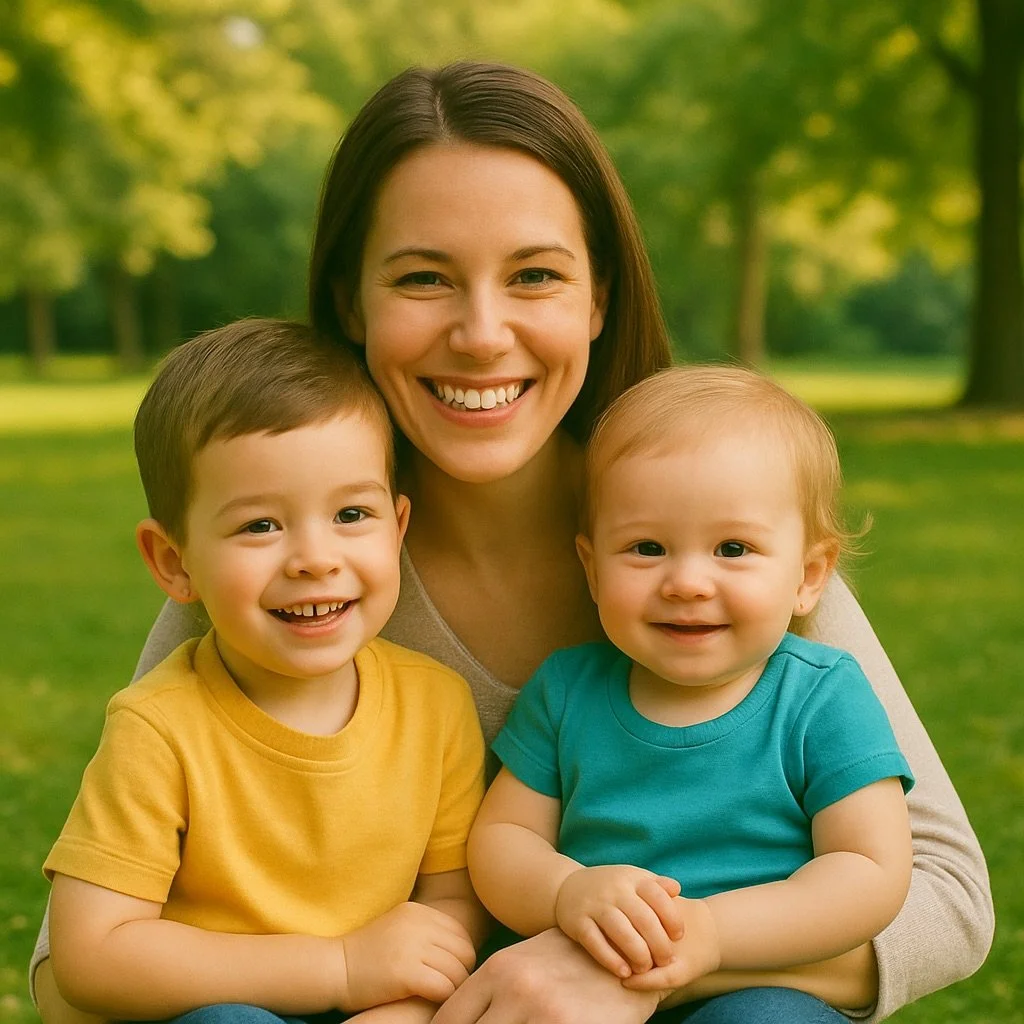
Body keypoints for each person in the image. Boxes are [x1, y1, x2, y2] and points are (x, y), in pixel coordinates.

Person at [33, 61, 992, 1024]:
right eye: (423, 279)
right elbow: (69, 969)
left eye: (535, 276)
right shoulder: (286, 569)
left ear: (599, 299)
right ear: (353, 299)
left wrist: (641, 967)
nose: (483, 335)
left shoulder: (717, 530)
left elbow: (945, 898)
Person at [42, 319, 487, 1024]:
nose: (314, 557)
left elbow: (452, 905)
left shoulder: (435, 706)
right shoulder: (160, 727)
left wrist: (398, 1009)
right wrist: (339, 968)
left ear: (398, 527)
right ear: (174, 561)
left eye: (350, 513)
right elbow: (90, 955)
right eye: (260, 526)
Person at [468, 366, 917, 1022]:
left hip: (758, 983)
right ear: (592, 568)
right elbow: (502, 838)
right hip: (580, 984)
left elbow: (869, 870)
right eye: (647, 548)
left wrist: (713, 932)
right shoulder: (567, 690)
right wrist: (567, 890)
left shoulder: (820, 696)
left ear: (809, 576)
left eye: (732, 548)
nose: (686, 581)